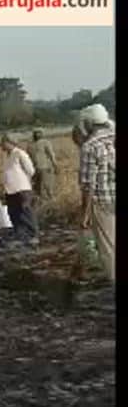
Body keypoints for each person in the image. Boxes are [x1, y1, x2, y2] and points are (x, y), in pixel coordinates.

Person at [77, 103, 116, 283]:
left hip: (104, 203)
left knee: (110, 249)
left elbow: (88, 185)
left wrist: (84, 214)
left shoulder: (90, 146)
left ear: (89, 123)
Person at [0, 134, 39, 246]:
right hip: (10, 189)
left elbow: (30, 170)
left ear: (9, 142)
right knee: (14, 213)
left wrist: (24, 181)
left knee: (26, 212)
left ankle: (33, 234)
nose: (1, 145)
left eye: (3, 142)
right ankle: (20, 235)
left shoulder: (19, 154)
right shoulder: (7, 156)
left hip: (21, 188)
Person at [30, 129, 59, 203]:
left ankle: (53, 202)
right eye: (36, 133)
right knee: (37, 189)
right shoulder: (31, 145)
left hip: (45, 167)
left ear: (42, 134)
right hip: (35, 169)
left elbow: (51, 154)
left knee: (48, 187)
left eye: (39, 133)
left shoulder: (45, 142)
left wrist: (55, 165)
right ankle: (40, 204)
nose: (37, 134)